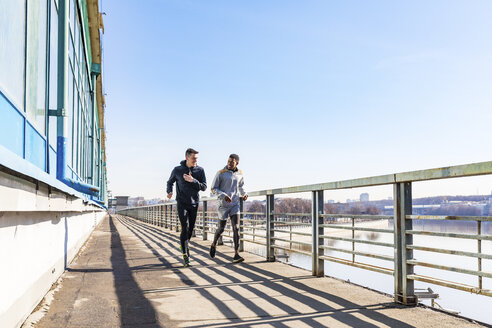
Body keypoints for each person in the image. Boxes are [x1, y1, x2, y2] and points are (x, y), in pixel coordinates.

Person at [166, 148, 207, 267]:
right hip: (182, 203)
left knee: (190, 230)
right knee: (185, 227)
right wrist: (169, 192)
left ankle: (184, 244)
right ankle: (185, 254)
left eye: (197, 159)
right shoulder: (177, 170)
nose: (195, 161)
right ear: (187, 158)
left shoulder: (200, 170)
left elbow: (204, 187)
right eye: (193, 158)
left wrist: (193, 180)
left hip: (194, 203)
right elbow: (170, 182)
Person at [210, 154, 248, 263]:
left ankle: (236, 254)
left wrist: (244, 194)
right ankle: (214, 244)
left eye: (232, 162)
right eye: (228, 161)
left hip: (235, 204)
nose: (229, 163)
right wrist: (223, 195)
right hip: (223, 205)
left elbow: (241, 186)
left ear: (237, 163)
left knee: (236, 228)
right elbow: (213, 189)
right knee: (221, 229)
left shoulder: (240, 173)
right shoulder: (221, 173)